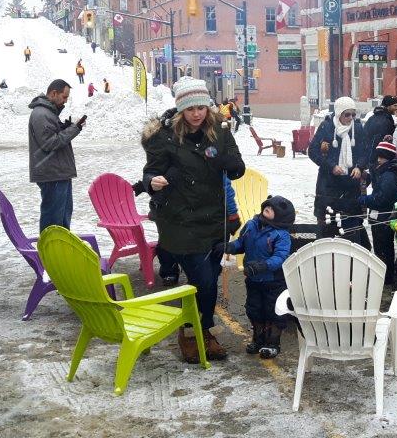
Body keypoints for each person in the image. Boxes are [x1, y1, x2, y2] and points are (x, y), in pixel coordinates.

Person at [142, 76, 245, 361]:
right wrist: (153, 180)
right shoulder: (164, 137)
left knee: (209, 277)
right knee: (205, 281)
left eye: (201, 107)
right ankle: (195, 331)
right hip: (181, 219)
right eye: (190, 109)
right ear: (180, 110)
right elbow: (149, 172)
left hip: (214, 218)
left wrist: (224, 162)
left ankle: (199, 327)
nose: (197, 114)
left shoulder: (220, 132)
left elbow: (237, 168)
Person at [226, 196, 294, 359]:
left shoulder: (281, 234)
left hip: (274, 281)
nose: (268, 208)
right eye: (267, 206)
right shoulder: (251, 225)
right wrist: (229, 247)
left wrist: (263, 265)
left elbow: (280, 257)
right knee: (254, 309)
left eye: (272, 209)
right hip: (253, 279)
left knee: (273, 311)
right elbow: (241, 243)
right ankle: (258, 339)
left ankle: (272, 343)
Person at [309, 96, 371, 250]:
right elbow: (313, 151)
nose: (350, 118)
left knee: (351, 225)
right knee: (327, 223)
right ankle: (326, 253)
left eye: (353, 114)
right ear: (338, 113)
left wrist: (359, 167)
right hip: (329, 184)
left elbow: (365, 151)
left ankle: (353, 253)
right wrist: (331, 166)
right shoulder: (326, 127)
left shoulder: (358, 128)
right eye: (346, 114)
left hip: (350, 184)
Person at [28, 79, 86, 231]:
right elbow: (49, 143)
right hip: (52, 174)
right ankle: (50, 252)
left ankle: (59, 249)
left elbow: (52, 135)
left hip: (58, 173)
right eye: (64, 97)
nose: (65, 101)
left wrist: (64, 127)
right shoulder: (41, 114)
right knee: (54, 220)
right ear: (54, 93)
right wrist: (74, 129)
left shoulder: (48, 113)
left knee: (62, 217)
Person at [360, 140, 397, 284]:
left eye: (380, 156)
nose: (378, 160)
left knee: (383, 247)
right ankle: (385, 273)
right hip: (381, 216)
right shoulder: (385, 170)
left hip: (383, 216)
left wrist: (364, 200)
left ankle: (385, 275)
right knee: (383, 246)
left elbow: (382, 199)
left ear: (385, 157)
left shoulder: (388, 175)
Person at [364, 95, 397, 163]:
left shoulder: (373, 117)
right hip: (379, 159)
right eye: (395, 105)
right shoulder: (385, 121)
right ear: (388, 106)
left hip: (371, 157)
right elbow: (382, 143)